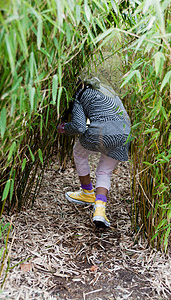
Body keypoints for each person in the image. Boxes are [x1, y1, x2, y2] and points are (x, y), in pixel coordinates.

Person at [57, 77, 131, 228]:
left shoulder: (80, 94)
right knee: (104, 172)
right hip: (124, 133)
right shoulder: (107, 91)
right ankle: (99, 211)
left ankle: (87, 192)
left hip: (103, 132)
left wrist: (63, 127)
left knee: (79, 153)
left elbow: (79, 127)